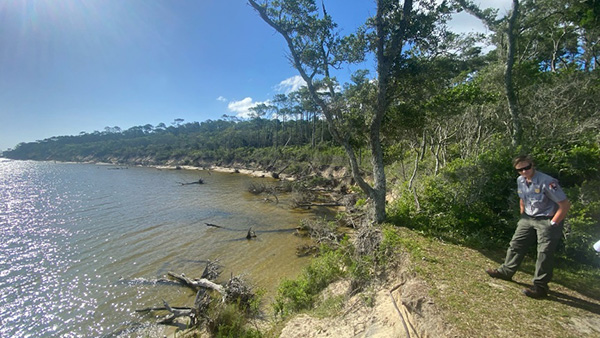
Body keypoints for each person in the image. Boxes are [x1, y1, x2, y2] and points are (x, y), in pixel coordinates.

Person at [486, 155, 570, 298]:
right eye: (520, 169)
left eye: (527, 167)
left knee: (544, 253)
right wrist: (523, 214)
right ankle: (506, 271)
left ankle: (540, 287)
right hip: (528, 217)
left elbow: (565, 204)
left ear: (532, 165)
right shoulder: (521, 180)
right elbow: (522, 198)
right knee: (516, 244)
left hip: (547, 219)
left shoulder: (547, 181)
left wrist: (553, 223)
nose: (524, 171)